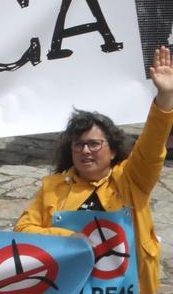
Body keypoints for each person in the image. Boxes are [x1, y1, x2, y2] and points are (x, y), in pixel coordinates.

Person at [14, 44, 173, 293]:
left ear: (112, 150)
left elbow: (152, 145)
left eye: (94, 144)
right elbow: (23, 231)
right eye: (78, 145)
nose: (85, 151)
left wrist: (164, 100)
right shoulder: (52, 187)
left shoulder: (132, 179)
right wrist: (68, 238)